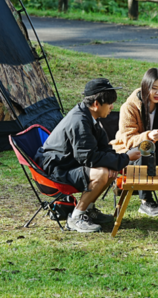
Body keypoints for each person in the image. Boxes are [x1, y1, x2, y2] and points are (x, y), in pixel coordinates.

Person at [37, 78, 140, 233]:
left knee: (110, 170)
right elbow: (88, 158)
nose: (112, 107)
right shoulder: (80, 121)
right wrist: (125, 158)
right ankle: (76, 217)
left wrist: (117, 161)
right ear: (96, 104)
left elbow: (103, 148)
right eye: (109, 103)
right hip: (57, 170)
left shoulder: (90, 116)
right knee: (102, 173)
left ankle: (88, 209)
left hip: (69, 163)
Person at [111, 67, 158, 216]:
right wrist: (148, 135)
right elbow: (128, 140)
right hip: (129, 153)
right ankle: (146, 201)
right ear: (145, 87)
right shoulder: (129, 107)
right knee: (145, 147)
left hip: (156, 149)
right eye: (154, 88)